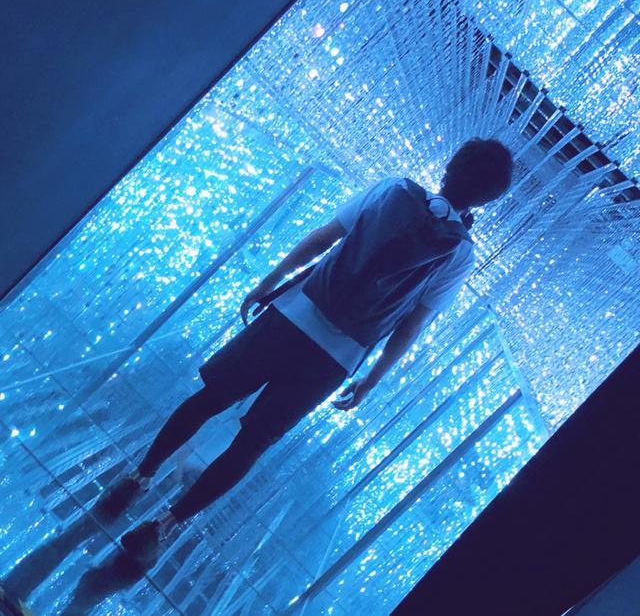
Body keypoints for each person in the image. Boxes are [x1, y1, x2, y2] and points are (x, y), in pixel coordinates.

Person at [95, 137, 513, 566]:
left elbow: (323, 239)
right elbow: (413, 323)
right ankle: (163, 525)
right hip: (336, 357)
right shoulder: (460, 253)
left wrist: (270, 280)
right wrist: (371, 379)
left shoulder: (394, 190)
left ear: (450, 167)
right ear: (487, 198)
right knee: (251, 443)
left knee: (211, 398)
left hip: (293, 314)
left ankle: (138, 477)